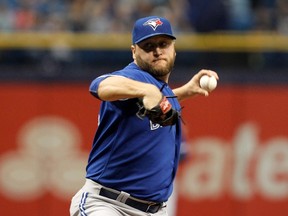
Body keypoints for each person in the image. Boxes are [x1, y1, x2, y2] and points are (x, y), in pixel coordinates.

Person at [70, 16, 218, 216]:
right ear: (134, 52)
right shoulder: (135, 76)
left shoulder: (161, 90)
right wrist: (146, 90)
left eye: (163, 44)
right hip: (108, 204)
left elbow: (156, 98)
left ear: (174, 48)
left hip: (155, 211)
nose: (157, 51)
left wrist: (182, 92)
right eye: (148, 46)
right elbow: (100, 85)